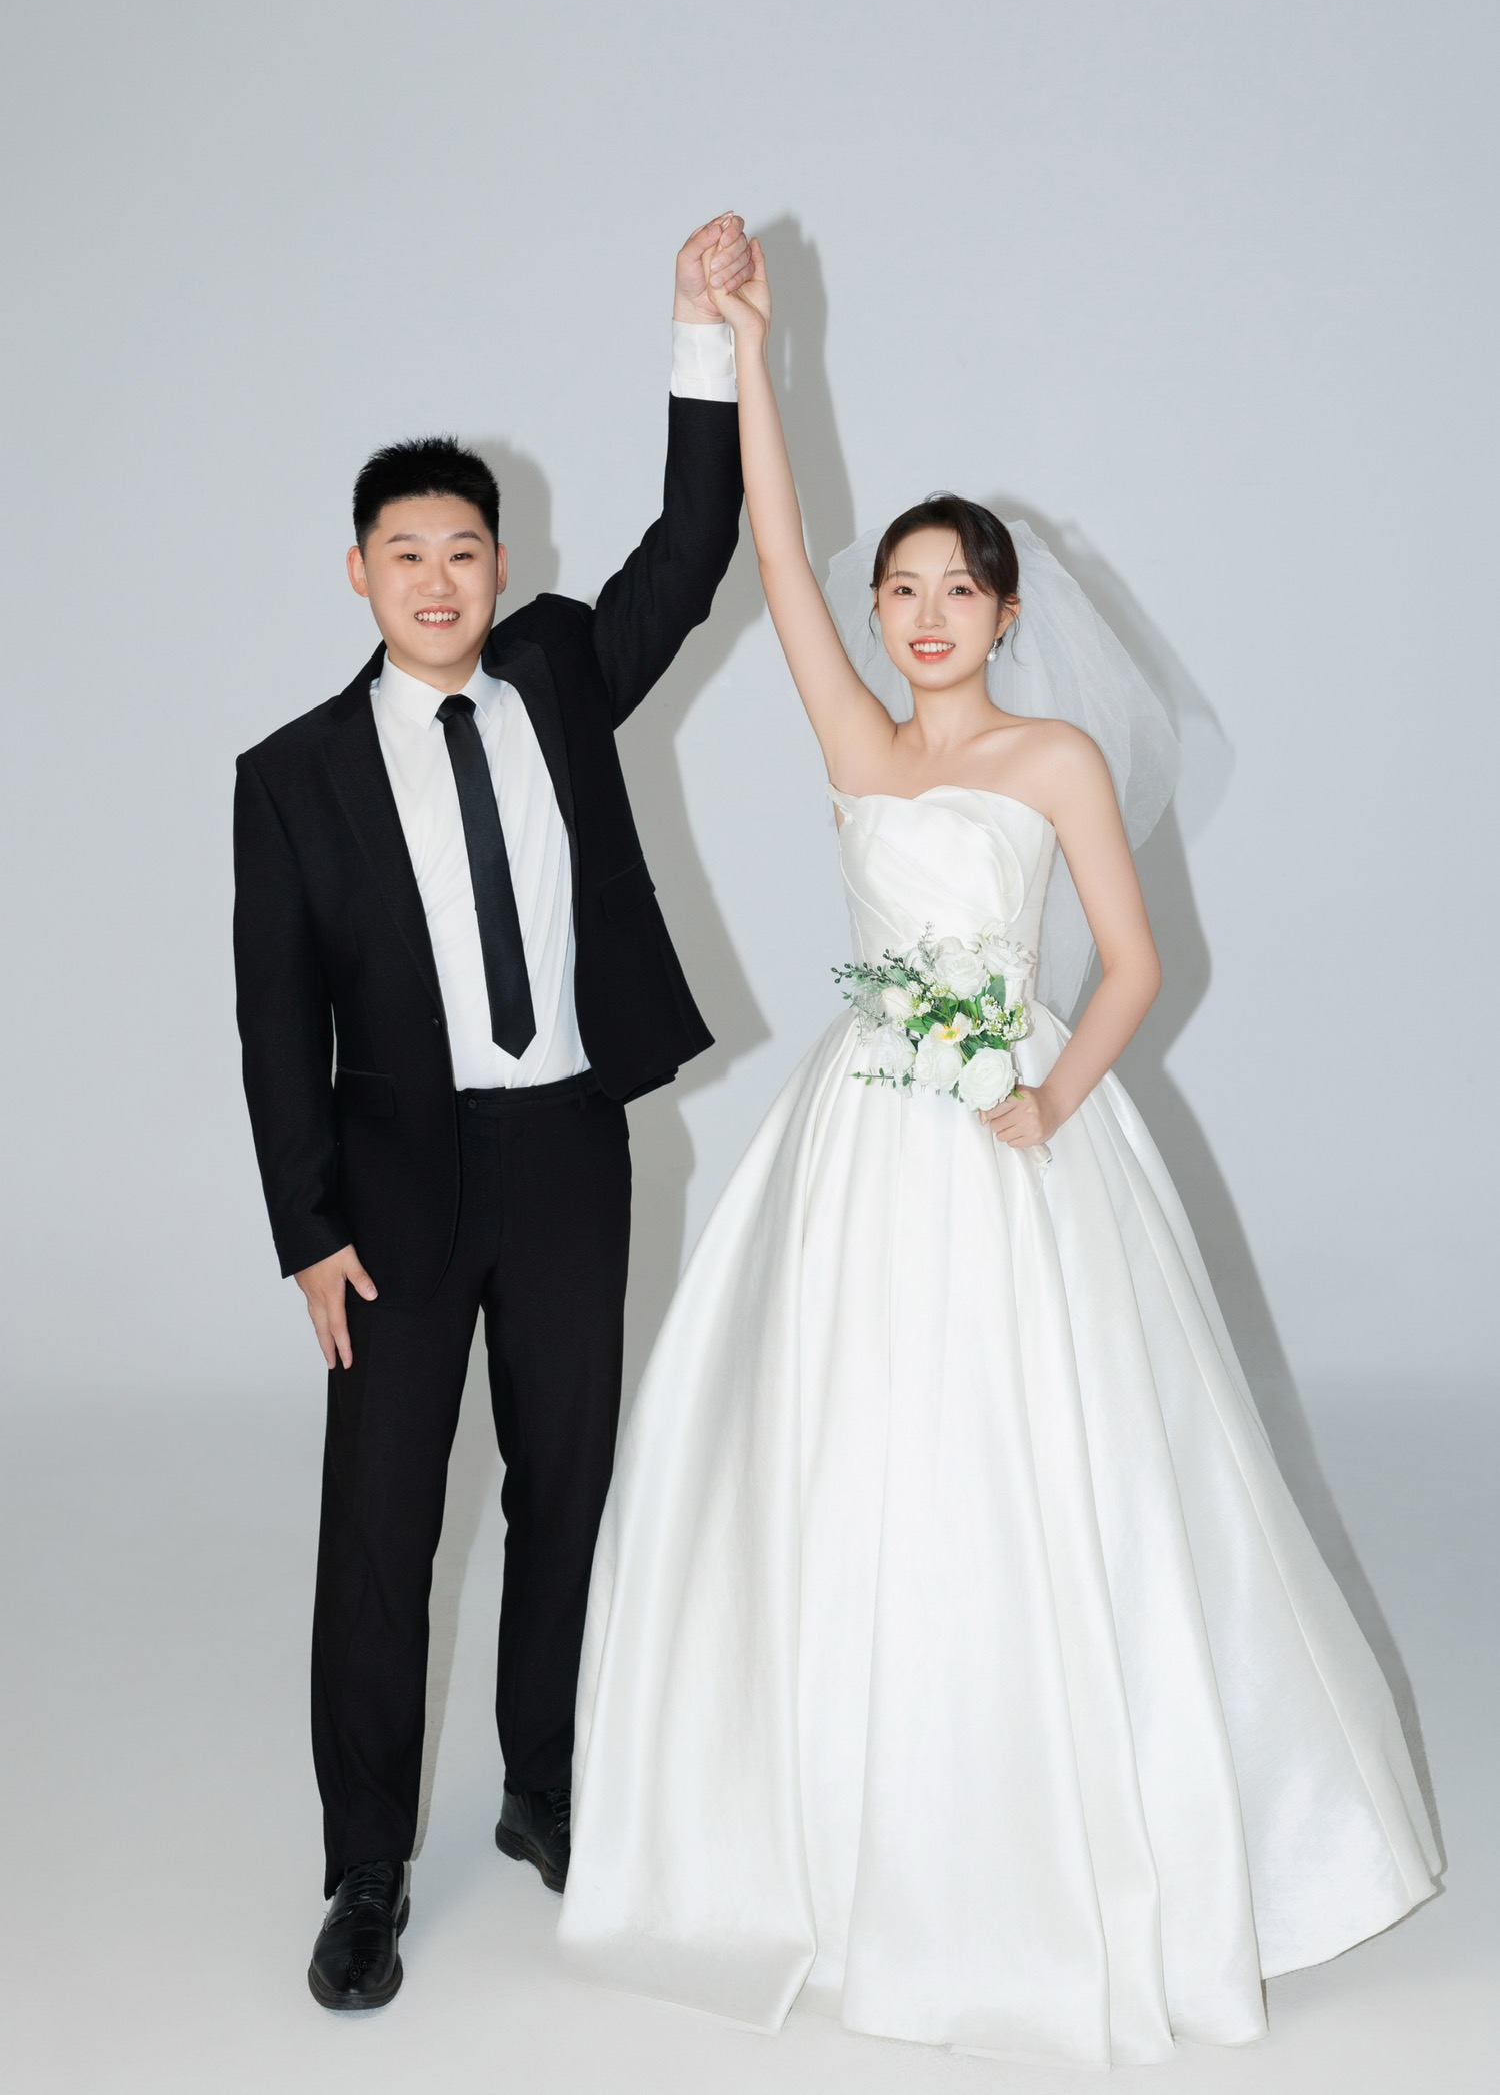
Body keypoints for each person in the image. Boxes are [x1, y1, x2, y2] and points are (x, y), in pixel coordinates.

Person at [561, 237, 1441, 2046]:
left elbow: (1136, 961)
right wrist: (748, 347)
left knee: (1048, 1448)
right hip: (860, 1132)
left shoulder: (1053, 762)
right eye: (900, 587)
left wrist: (1048, 1096)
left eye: (956, 587)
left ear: (1006, 609)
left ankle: (1067, 1832)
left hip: (1012, 1121)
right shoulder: (858, 741)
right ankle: (848, 1831)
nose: (922, 613)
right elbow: (774, 552)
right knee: (848, 1442)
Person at [233, 215, 746, 2017]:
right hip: (391, 1181)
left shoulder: (561, 671)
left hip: (567, 1151)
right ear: (358, 573)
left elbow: (698, 541)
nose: (439, 576)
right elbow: (274, 1023)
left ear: (501, 564)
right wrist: (308, 1230)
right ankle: (366, 1866)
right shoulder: (292, 776)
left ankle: (546, 1784)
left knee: (568, 1483)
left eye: (464, 548)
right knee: (380, 1525)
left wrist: (699, 333)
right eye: (407, 552)